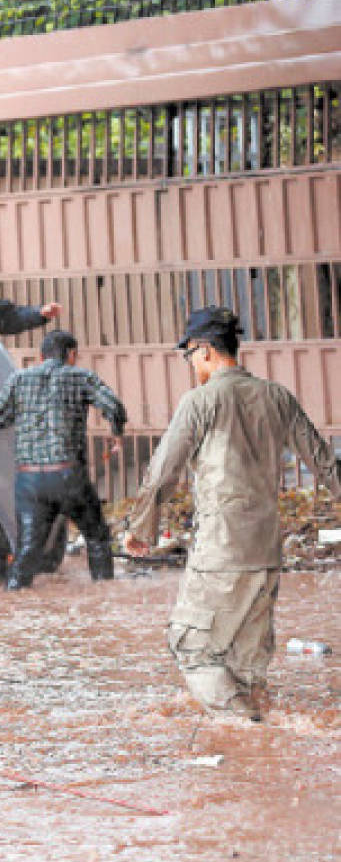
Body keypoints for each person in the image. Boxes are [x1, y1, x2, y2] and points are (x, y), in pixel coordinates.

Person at [124, 307, 341, 722]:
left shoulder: (200, 401)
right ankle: (255, 760)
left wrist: (141, 529)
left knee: (190, 646)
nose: (189, 364)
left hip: (221, 551)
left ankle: (248, 730)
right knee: (246, 667)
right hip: (267, 550)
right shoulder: (277, 397)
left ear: (203, 350)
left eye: (188, 355)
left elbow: (163, 470)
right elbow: (325, 464)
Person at [0, 329, 127, 590]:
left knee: (28, 550)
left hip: (30, 481)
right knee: (96, 539)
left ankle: (13, 597)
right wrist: (115, 434)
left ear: (40, 356)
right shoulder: (80, 377)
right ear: (71, 354)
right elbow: (114, 407)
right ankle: (105, 596)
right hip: (69, 476)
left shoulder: (18, 380)